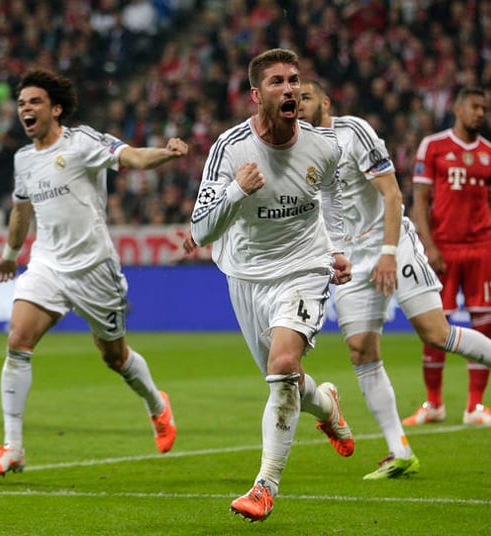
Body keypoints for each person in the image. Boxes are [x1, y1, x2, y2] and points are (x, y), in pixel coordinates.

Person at [297, 80, 491, 479]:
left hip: (391, 243)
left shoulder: (354, 132)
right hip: (351, 261)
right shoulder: (300, 149)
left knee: (436, 333)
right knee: (361, 351)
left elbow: (393, 195)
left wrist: (386, 253)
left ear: (325, 102)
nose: (297, 105)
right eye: (294, 101)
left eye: (306, 98)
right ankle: (399, 451)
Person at [0, 69, 186, 477]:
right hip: (47, 264)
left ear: (56, 109)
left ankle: (156, 405)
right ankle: (13, 447)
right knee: (18, 340)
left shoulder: (83, 142)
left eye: (34, 102)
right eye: (22, 104)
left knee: (114, 356)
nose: (26, 109)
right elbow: (22, 209)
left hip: (95, 268)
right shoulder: (24, 159)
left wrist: (165, 152)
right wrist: (10, 254)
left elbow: (129, 157)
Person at [184, 49, 355, 522]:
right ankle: (329, 407)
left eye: (295, 80)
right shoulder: (231, 149)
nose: (291, 90)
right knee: (289, 381)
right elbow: (199, 231)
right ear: (257, 95)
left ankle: (264, 487)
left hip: (305, 267)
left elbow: (332, 193)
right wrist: (237, 190)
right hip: (246, 276)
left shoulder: (323, 145)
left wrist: (337, 246)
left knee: (283, 366)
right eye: (278, 82)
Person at [406, 87, 491, 426]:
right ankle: (434, 404)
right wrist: (429, 246)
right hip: (444, 248)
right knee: (434, 326)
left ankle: (475, 407)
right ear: (457, 108)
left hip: (481, 248)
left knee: (484, 324)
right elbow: (420, 202)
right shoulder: (434, 146)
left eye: (484, 108)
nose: (480, 113)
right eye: (474, 107)